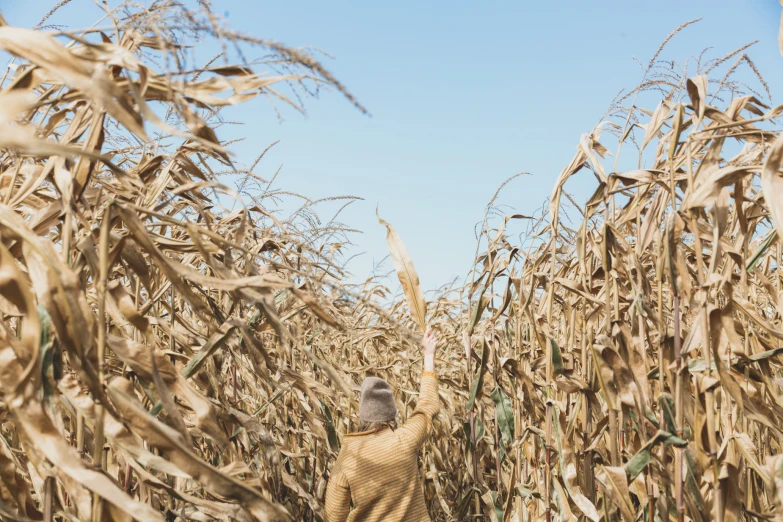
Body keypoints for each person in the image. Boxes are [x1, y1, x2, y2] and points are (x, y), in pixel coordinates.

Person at [324, 328, 440, 522]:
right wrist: (429, 355)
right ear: (391, 412)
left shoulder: (348, 456)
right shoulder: (405, 439)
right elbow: (427, 405)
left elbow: (334, 514)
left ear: (362, 414)